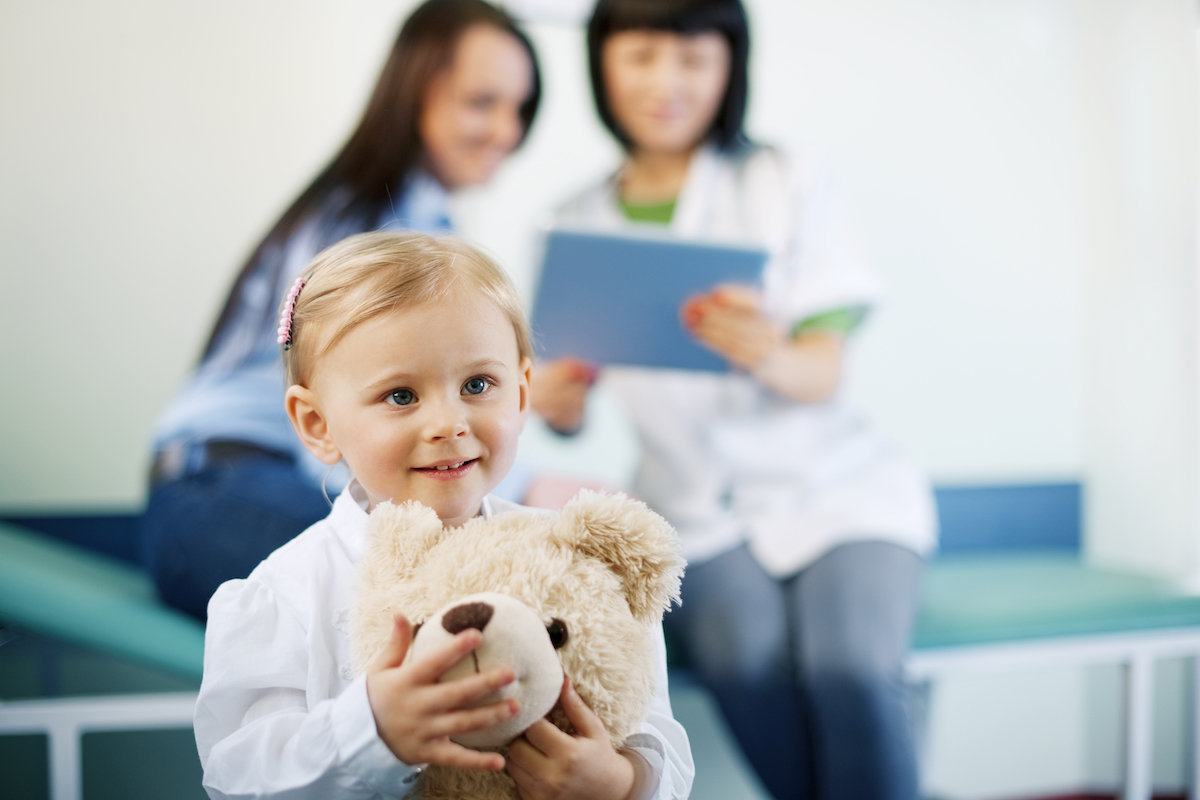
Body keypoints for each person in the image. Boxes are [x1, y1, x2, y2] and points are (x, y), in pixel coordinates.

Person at [532, 1, 937, 798]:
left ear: (731, 65)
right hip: (691, 511)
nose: (667, 82)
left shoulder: (783, 180)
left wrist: (769, 353)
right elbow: (565, 417)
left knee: (850, 667)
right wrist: (555, 399)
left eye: (694, 58)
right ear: (602, 61)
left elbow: (825, 370)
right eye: (641, 54)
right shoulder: (571, 222)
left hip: (840, 491)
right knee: (746, 661)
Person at [194, 231, 694, 800]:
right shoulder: (287, 592)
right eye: (401, 396)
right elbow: (240, 777)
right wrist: (374, 729)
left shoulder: (568, 563)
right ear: (317, 424)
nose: (449, 424)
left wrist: (623, 781)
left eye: (478, 385)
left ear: (523, 393)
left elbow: (655, 728)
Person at [143, 0, 542, 620]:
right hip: (217, 493)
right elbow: (356, 449)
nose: (506, 131)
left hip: (242, 486)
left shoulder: (421, 225)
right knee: (470, 588)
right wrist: (525, 493)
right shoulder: (363, 233)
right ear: (414, 94)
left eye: (518, 108)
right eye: (481, 102)